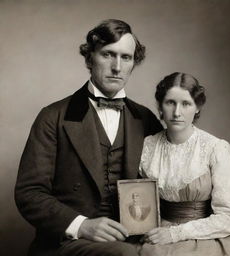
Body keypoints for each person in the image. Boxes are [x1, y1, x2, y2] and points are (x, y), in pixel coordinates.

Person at [15, 19, 162, 256]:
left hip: (135, 236)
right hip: (67, 242)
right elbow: (29, 193)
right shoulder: (53, 116)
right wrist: (81, 225)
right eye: (108, 54)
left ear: (133, 63)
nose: (117, 67)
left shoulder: (145, 119)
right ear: (89, 58)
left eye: (126, 57)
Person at [139, 72, 230, 255]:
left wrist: (175, 233)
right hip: (157, 235)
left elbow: (229, 216)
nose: (177, 112)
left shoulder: (215, 148)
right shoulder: (148, 146)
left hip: (205, 237)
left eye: (186, 104)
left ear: (197, 108)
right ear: (160, 106)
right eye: (170, 103)